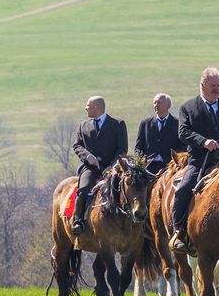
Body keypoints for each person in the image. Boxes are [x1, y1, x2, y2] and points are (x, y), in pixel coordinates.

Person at [170, 67, 219, 254]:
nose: (216, 89)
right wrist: (203, 142)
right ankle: (179, 232)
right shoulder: (188, 108)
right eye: (213, 85)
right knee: (182, 190)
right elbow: (183, 133)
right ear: (202, 85)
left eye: (218, 85)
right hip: (200, 161)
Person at [70, 96, 128, 236]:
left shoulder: (118, 124)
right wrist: (88, 156)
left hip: (112, 168)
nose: (86, 108)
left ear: (96, 107)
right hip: (90, 168)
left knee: (127, 189)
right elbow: (77, 145)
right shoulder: (83, 125)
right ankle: (78, 220)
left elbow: (122, 149)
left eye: (88, 105)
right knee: (83, 189)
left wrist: (112, 166)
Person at [134, 93, 183, 175]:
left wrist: (176, 158)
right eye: (155, 103)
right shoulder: (145, 123)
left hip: (169, 166)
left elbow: (183, 145)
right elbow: (138, 147)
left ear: (168, 105)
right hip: (148, 166)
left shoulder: (178, 123)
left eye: (159, 102)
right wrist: (139, 162)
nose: (156, 105)